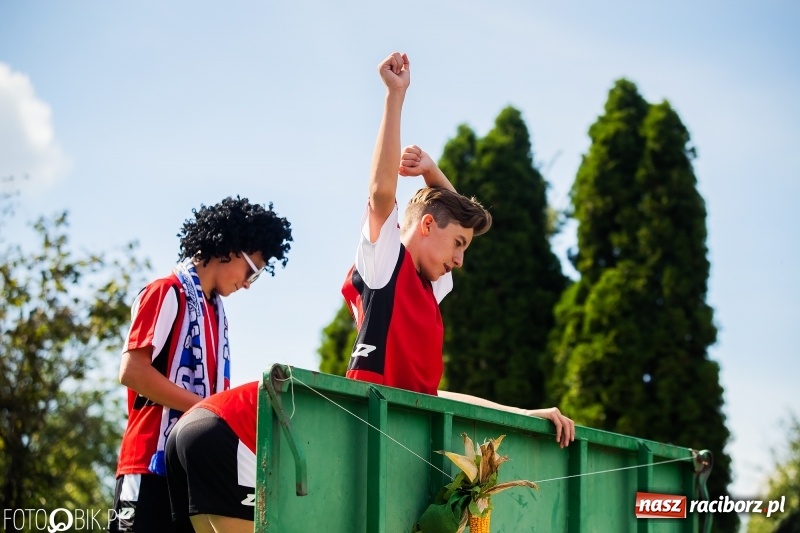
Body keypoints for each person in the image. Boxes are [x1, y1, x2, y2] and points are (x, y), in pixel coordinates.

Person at [342, 51, 575, 443]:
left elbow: (433, 398)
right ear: (427, 226)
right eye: (459, 246)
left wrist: (433, 172)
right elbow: (382, 192)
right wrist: (395, 95)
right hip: (373, 435)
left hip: (411, 434)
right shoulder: (385, 266)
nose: (461, 260)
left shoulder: (428, 288)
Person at [109, 196, 292, 533]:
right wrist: (207, 412)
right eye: (252, 270)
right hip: (148, 463)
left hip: (192, 472)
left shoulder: (215, 314)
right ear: (228, 248)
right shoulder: (167, 292)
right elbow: (132, 371)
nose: (249, 284)